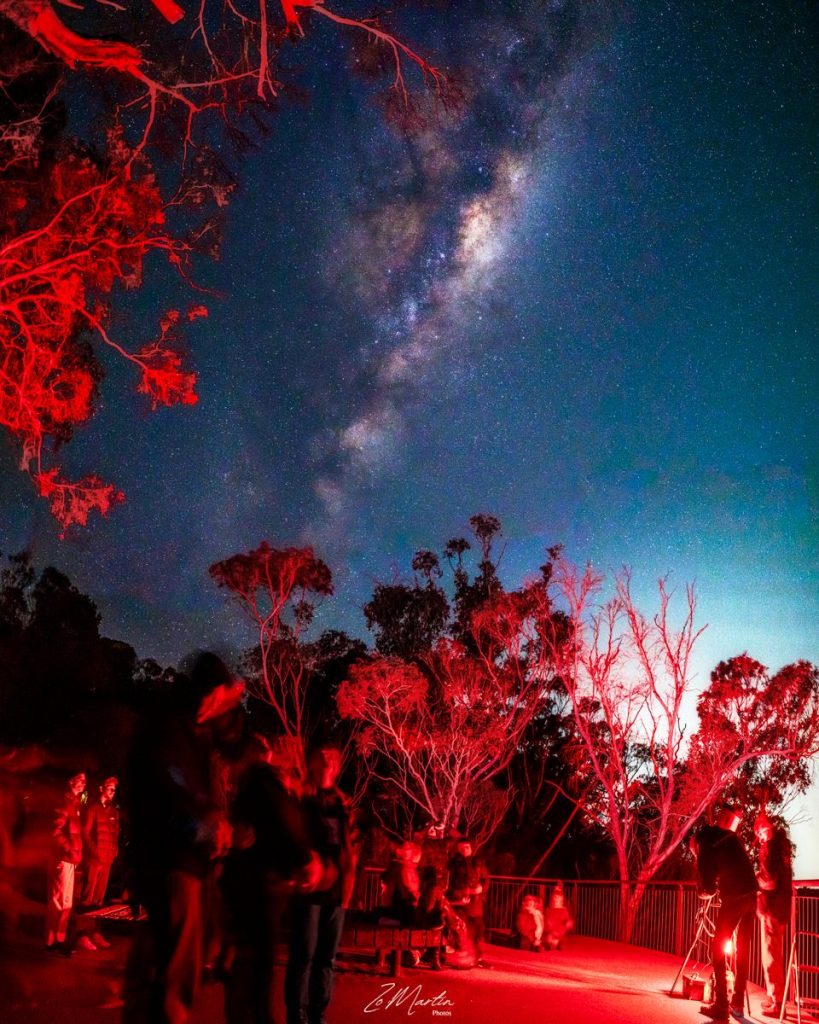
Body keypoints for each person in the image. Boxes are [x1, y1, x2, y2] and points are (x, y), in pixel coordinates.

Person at [123, 652, 244, 1024]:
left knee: (166, 966)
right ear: (209, 693)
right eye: (224, 699)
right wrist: (199, 824)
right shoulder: (169, 728)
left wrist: (218, 824)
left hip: (187, 867)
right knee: (176, 977)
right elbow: (163, 790)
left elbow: (196, 793)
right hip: (172, 867)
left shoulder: (197, 735)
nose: (225, 710)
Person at [221, 734, 318, 1024]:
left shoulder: (255, 785)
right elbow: (285, 823)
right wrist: (305, 858)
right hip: (261, 885)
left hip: (256, 883)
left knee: (255, 962)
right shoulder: (262, 784)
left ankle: (249, 1013)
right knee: (257, 964)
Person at [284, 741, 355, 1024]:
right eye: (321, 755)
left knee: (327, 957)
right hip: (309, 885)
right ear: (311, 763)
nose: (326, 759)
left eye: (331, 757)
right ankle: (296, 1015)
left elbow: (350, 848)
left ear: (336, 767)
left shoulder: (342, 802)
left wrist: (349, 885)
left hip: (336, 888)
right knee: (304, 954)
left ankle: (318, 1014)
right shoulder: (301, 797)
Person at [691, 822, 758, 1021]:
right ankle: (737, 1004)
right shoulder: (730, 836)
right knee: (743, 950)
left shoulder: (705, 845)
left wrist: (698, 859)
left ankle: (721, 1005)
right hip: (752, 895)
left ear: (696, 842)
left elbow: (708, 888)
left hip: (735, 898)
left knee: (718, 948)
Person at [755, 812, 793, 1017]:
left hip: (772, 910)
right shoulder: (782, 848)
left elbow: (769, 881)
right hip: (780, 908)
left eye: (760, 832)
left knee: (771, 957)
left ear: (765, 828)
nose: (759, 837)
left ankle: (777, 1003)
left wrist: (755, 879)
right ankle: (773, 998)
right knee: (773, 955)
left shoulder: (771, 848)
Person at [45, 770, 86, 955]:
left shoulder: (75, 803)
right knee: (58, 901)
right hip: (62, 858)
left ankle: (60, 939)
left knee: (67, 901)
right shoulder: (64, 802)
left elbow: (75, 833)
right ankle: (51, 940)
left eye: (84, 781)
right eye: (79, 780)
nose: (83, 784)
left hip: (71, 859)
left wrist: (76, 854)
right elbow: (56, 831)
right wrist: (69, 849)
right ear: (70, 781)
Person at [446, 838, 489, 964]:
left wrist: (481, 888)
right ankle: (464, 956)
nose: (464, 850)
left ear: (471, 848)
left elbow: (486, 879)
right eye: (461, 847)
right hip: (461, 901)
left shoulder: (478, 862)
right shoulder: (453, 863)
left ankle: (478, 956)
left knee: (478, 929)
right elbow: (449, 883)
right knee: (464, 928)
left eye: (466, 847)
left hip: (476, 901)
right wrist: (462, 893)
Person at [82, 776, 120, 909]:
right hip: (95, 858)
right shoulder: (93, 808)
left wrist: (115, 851)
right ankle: (82, 919)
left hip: (108, 857)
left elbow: (115, 833)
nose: (112, 792)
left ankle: (95, 921)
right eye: (110, 789)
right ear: (101, 789)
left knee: (99, 897)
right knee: (88, 895)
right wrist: (94, 850)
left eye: (114, 790)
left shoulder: (114, 812)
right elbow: (85, 832)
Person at [543, 882, 574, 950]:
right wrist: (551, 932)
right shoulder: (548, 909)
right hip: (551, 932)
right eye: (555, 898)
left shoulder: (564, 910)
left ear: (562, 900)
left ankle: (557, 942)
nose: (556, 899)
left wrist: (568, 924)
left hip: (560, 932)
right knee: (549, 940)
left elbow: (567, 922)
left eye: (558, 898)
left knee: (560, 945)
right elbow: (546, 923)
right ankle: (551, 943)